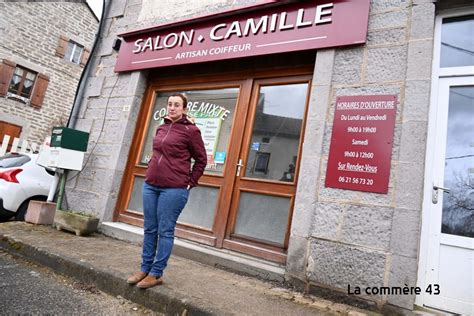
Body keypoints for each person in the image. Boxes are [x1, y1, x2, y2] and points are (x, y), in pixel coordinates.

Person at [127, 93, 207, 289]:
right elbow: (157, 153)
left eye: (177, 105)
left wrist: (190, 182)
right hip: (151, 185)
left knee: (165, 231)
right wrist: (150, 170)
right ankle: (144, 269)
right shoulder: (161, 127)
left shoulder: (191, 131)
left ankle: (156, 273)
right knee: (149, 228)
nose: (172, 107)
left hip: (174, 189)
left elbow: (201, 159)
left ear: (184, 109)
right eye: (170, 104)